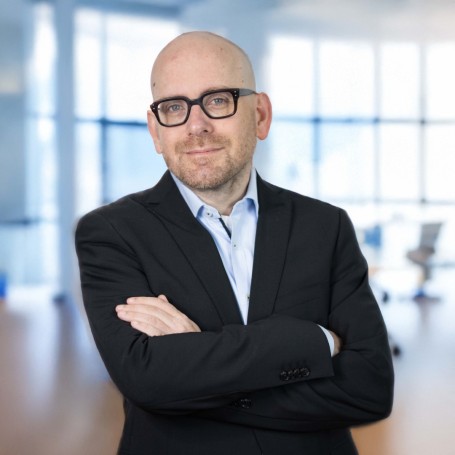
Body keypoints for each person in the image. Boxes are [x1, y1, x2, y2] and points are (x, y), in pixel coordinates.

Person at [75, 31, 394, 455]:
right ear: (155, 131)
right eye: (174, 107)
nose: (196, 126)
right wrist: (312, 343)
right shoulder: (110, 234)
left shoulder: (326, 226)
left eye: (218, 100)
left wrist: (197, 370)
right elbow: (148, 381)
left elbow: (369, 387)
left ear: (260, 115)